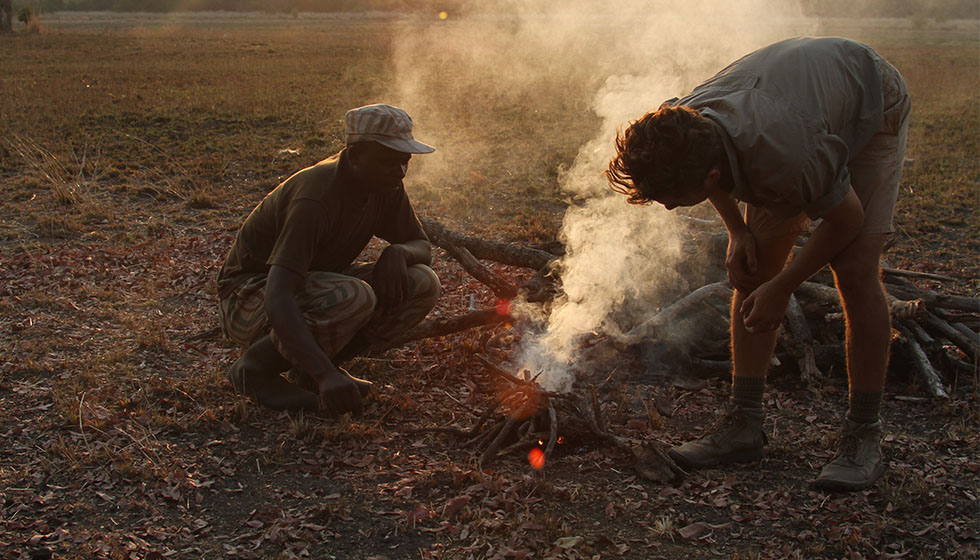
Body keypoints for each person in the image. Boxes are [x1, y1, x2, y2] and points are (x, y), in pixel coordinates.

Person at [606, 37, 911, 491]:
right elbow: (713, 169)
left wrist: (786, 284)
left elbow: (847, 219)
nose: (669, 208)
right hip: (796, 104)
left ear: (708, 177)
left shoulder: (785, 156)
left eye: (672, 199)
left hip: (870, 99)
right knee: (751, 270)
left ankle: (863, 437)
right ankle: (743, 426)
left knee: (854, 269)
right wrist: (737, 230)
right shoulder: (678, 125)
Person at [217, 103, 441, 416]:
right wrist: (326, 377)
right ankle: (253, 370)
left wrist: (398, 251)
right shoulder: (316, 196)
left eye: (405, 161)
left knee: (423, 282)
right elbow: (277, 294)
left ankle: (313, 366)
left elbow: (421, 245)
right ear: (355, 154)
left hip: (309, 284)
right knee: (353, 296)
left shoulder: (385, 184)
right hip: (246, 296)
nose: (400, 171)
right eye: (389, 160)